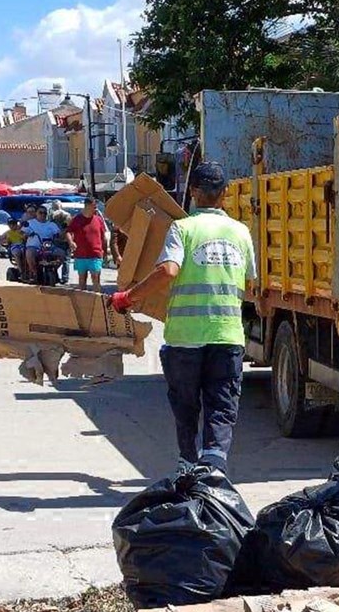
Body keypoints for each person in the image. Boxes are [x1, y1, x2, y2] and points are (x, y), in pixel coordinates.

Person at [109, 161, 255, 467]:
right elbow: (251, 286)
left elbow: (168, 270)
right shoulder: (241, 232)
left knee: (186, 407)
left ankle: (188, 464)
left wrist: (129, 297)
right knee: (221, 407)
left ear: (193, 192)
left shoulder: (183, 228)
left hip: (185, 339)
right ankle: (213, 470)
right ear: (225, 194)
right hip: (227, 336)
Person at [67, 197, 108, 291]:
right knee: (82, 279)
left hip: (95, 254)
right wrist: (71, 242)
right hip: (80, 255)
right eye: (94, 207)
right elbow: (68, 232)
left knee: (95, 278)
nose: (95, 209)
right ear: (87, 206)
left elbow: (103, 237)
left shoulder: (98, 220)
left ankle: (97, 300)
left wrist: (104, 251)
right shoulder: (77, 219)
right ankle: (82, 302)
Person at [22, 204, 64, 282]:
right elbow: (23, 232)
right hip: (34, 246)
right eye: (40, 212)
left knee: (61, 253)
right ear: (36, 213)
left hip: (48, 247)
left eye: (44, 213)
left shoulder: (51, 224)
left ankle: (53, 270)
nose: (42, 214)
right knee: (30, 253)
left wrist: (59, 235)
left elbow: (59, 233)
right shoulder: (30, 223)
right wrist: (27, 234)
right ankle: (34, 273)